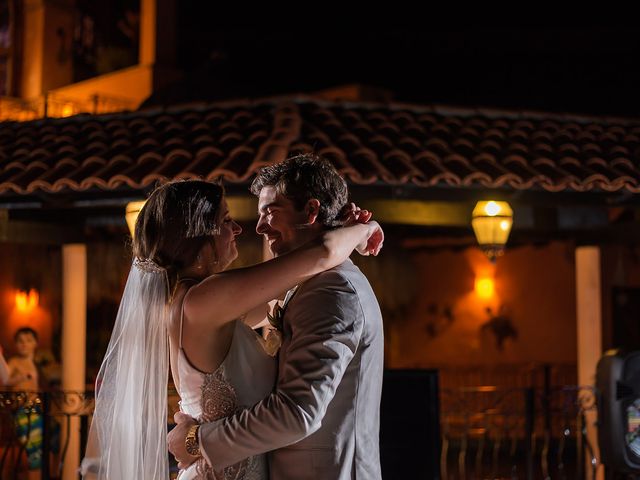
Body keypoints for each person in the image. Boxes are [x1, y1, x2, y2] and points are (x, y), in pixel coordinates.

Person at [81, 177, 382, 479]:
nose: (238, 229)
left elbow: (290, 287)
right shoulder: (203, 300)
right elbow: (322, 254)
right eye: (226, 220)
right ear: (197, 233)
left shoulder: (201, 303)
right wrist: (364, 230)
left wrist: (335, 223)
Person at [169, 154, 385, 479]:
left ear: (311, 211)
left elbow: (297, 413)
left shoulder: (331, 289)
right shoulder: (300, 285)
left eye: (270, 212)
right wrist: (358, 230)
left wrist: (198, 440)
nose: (256, 228)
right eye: (228, 220)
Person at [0, 328, 44, 480]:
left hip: (38, 410)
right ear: (16, 344)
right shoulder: (15, 362)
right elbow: (5, 379)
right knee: (34, 452)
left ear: (36, 343)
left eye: (28, 340)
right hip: (23, 410)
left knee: (41, 450)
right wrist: (21, 377)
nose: (24, 344)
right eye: (20, 341)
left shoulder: (36, 362)